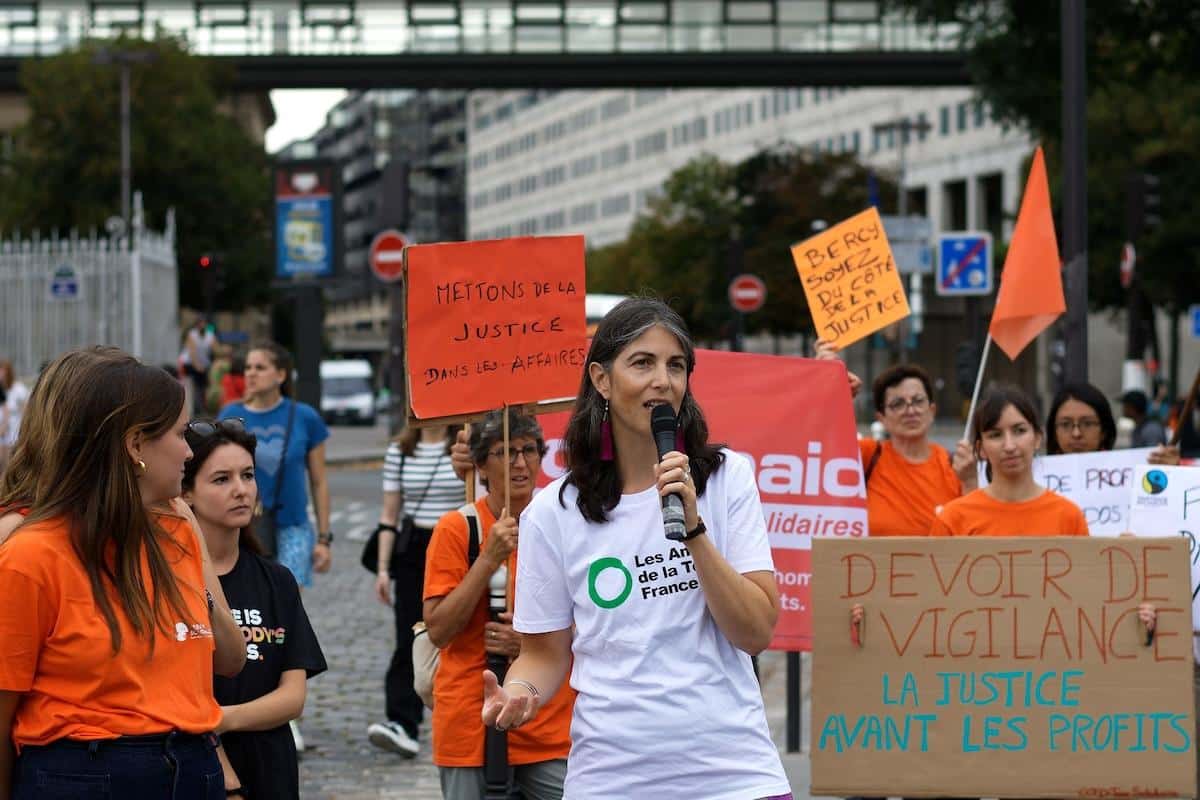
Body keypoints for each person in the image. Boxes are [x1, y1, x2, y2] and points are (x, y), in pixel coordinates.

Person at [483, 298, 791, 799]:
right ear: (602, 380)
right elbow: (543, 655)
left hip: (733, 775)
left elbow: (755, 631)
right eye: (642, 363)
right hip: (612, 778)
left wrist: (694, 532)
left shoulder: (727, 479)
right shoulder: (552, 513)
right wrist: (521, 692)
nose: (662, 380)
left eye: (675, 366)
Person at [0, 346, 245, 799]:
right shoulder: (30, 554)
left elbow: (227, 661)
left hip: (191, 764)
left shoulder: (176, 532)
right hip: (85, 771)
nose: (191, 451)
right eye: (179, 433)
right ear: (135, 446)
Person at [423, 410, 575, 799]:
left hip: (548, 723)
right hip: (469, 723)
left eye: (528, 450)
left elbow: (596, 618)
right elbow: (439, 628)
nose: (520, 463)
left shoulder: (567, 522)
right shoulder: (457, 528)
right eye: (504, 452)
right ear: (480, 465)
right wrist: (488, 559)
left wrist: (528, 644)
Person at [182, 418, 327, 800]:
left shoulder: (276, 580)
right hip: (195, 767)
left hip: (270, 767)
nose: (241, 490)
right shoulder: (170, 580)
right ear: (186, 495)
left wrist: (223, 719)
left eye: (247, 475)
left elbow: (292, 697)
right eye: (221, 479)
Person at [367, 424, 464, 758]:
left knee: (462, 634)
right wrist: (382, 568)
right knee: (409, 635)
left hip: (458, 545)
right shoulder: (401, 451)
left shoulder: (463, 443)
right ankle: (403, 722)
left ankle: (462, 714)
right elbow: (389, 514)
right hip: (414, 550)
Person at [219, 341, 332, 587]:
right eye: (248, 367)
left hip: (293, 525)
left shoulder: (305, 417)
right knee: (249, 602)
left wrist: (324, 539)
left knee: (286, 601)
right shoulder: (230, 416)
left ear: (280, 375)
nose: (250, 373)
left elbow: (319, 481)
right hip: (244, 525)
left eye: (260, 367)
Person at [931, 385, 1089, 537]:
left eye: (1019, 431)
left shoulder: (1069, 518)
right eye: (995, 435)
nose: (1009, 446)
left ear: (1037, 438)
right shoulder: (952, 520)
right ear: (981, 449)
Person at [1045, 382, 1117, 455]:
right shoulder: (1038, 466)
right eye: (1065, 424)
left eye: (1087, 424)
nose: (1076, 434)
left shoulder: (1123, 465)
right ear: (1054, 432)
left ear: (1104, 431)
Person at [181, 317, 217, 417]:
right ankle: (191, 410)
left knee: (202, 387)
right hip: (190, 365)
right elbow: (192, 352)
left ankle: (202, 408)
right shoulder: (192, 335)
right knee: (190, 387)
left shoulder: (210, 335)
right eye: (201, 324)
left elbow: (216, 348)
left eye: (204, 323)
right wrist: (197, 365)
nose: (203, 326)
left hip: (203, 365)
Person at [0, 359, 28, 475]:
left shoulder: (18, 389)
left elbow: (26, 409)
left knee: (11, 462)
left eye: (2, 370)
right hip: (2, 433)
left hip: (13, 431)